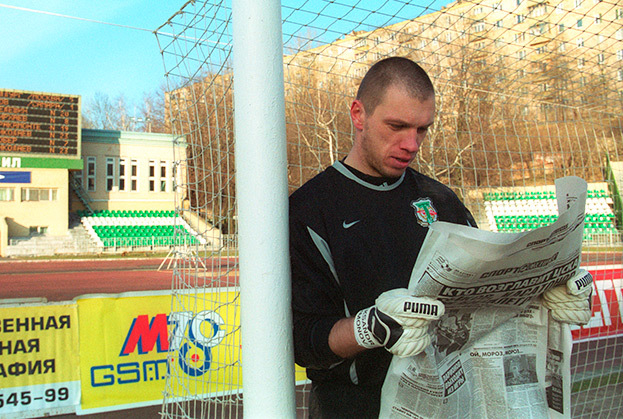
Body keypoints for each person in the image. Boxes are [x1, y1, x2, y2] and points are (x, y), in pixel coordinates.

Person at [289, 57, 477, 418]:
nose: (412, 144)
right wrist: (372, 327)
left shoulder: (441, 200)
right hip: (356, 407)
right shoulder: (309, 210)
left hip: (450, 397)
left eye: (422, 129)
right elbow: (305, 340)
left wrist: (541, 293)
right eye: (397, 126)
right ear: (359, 115)